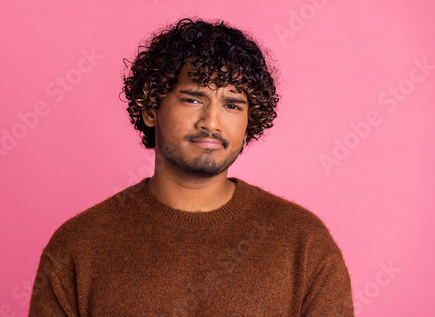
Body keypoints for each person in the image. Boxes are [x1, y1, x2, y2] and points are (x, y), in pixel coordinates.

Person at [29, 18, 354, 316]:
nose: (211, 122)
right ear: (151, 108)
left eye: (232, 104)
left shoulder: (305, 244)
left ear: (248, 121)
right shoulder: (77, 247)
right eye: (193, 99)